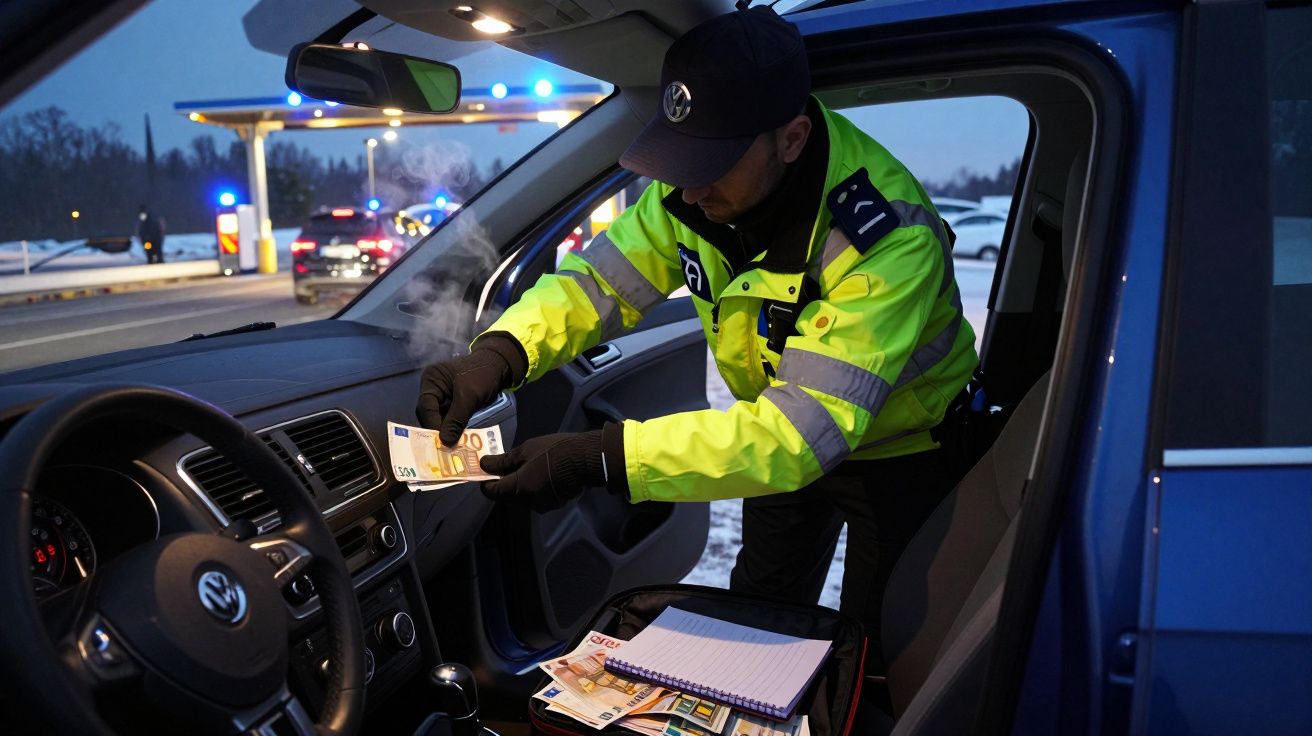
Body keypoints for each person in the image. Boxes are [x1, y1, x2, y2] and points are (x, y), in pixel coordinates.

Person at [415, 6, 977, 668]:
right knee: (758, 618)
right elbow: (596, 286)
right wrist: (499, 354)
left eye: (714, 162)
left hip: (900, 447)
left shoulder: (884, 238)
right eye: (682, 159)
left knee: (878, 647)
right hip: (775, 431)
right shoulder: (691, 191)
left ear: (791, 140)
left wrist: (601, 457)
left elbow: (798, 436)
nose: (689, 187)